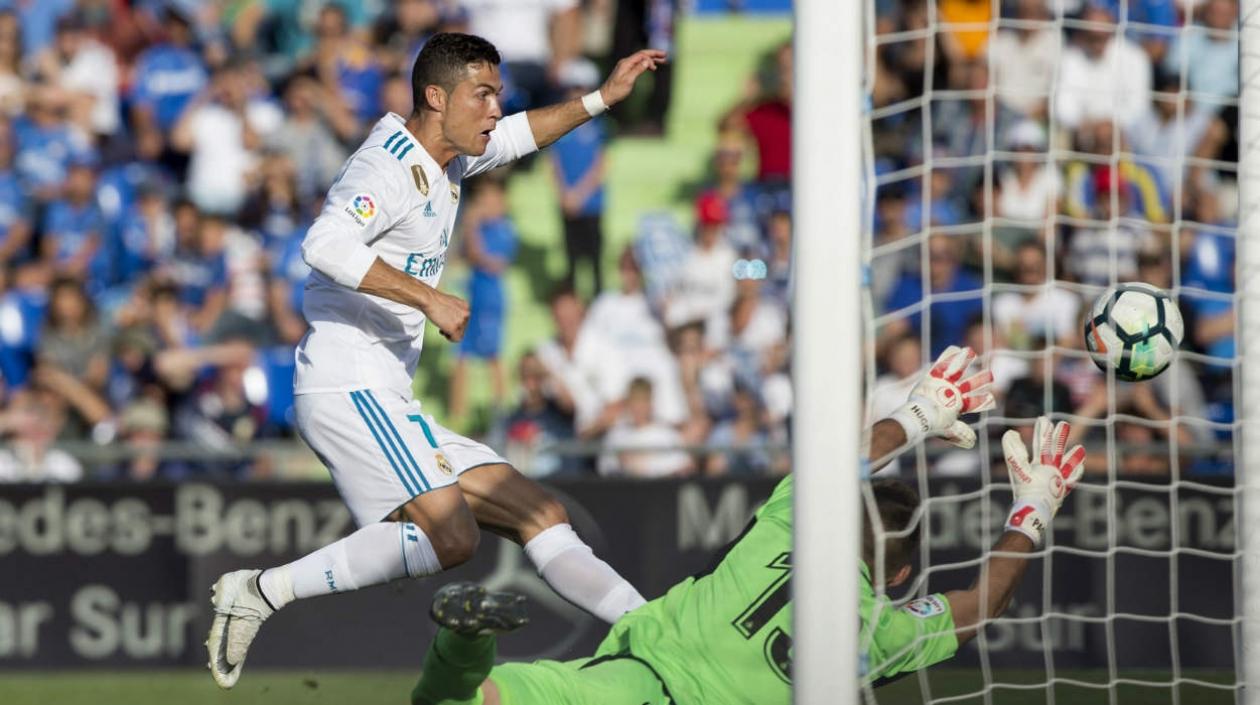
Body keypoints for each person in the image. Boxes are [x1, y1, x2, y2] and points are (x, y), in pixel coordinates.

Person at [205, 33, 667, 689]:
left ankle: (649, 628)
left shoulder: (449, 158)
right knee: (452, 536)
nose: (494, 109)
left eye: (497, 95)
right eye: (484, 94)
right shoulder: (387, 167)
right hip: (347, 380)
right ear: (436, 96)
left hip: (387, 390)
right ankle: (260, 590)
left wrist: (600, 98)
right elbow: (324, 241)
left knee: (537, 510)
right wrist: (429, 297)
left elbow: (517, 136)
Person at [407, 347, 1082, 702]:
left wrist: (917, 415)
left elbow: (840, 461)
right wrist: (1031, 510)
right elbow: (984, 602)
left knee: (460, 700)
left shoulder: (789, 522)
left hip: (628, 687)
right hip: (646, 680)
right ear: (900, 573)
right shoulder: (885, 630)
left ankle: (464, 647)